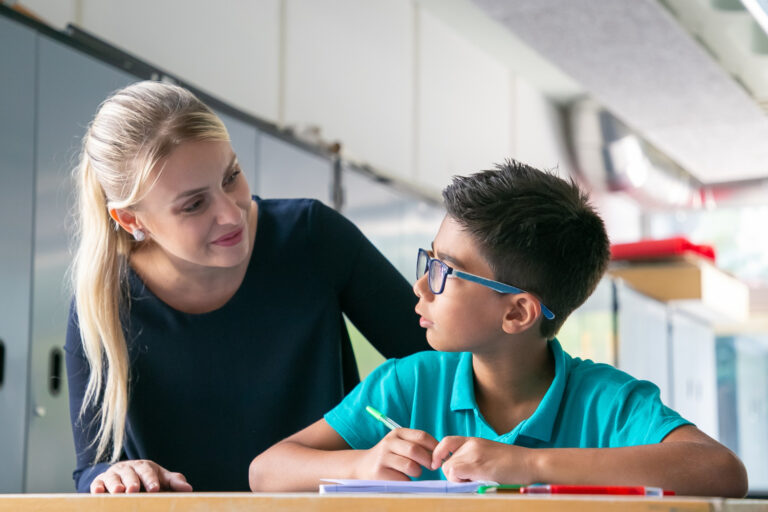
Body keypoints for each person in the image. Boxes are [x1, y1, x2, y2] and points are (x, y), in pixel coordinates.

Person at [248, 160, 748, 497]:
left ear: (518, 313)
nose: (421, 286)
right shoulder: (408, 384)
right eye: (429, 260)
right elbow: (265, 471)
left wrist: (527, 465)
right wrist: (357, 465)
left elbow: (723, 473)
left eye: (444, 271)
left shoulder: (607, 404)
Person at [64, 80, 429, 493]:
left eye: (231, 176)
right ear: (132, 221)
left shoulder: (312, 237)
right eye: (194, 204)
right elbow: (91, 470)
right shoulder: (105, 299)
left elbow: (444, 360)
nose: (231, 212)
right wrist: (114, 476)